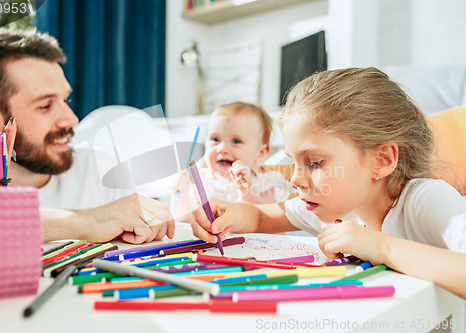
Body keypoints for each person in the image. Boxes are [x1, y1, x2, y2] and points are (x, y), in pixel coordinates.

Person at [190, 67, 466, 299]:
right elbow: (262, 218)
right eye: (293, 162)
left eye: (315, 163)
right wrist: (231, 212)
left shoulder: (426, 199)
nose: (296, 179)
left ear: (381, 160)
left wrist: (382, 247)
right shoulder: (334, 205)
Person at [0, 29, 174, 244]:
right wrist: (85, 222)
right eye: (45, 105)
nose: (71, 119)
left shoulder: (98, 167)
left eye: (66, 100)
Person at [170, 102, 293, 222]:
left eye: (236, 141)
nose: (222, 149)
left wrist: (247, 191)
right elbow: (184, 222)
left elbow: (263, 221)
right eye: (215, 139)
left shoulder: (267, 183)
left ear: (261, 153)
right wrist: (181, 196)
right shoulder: (199, 180)